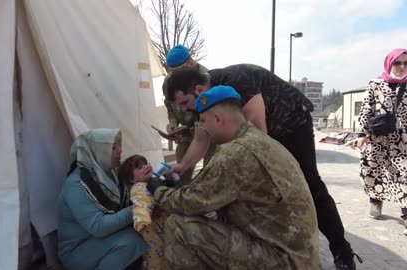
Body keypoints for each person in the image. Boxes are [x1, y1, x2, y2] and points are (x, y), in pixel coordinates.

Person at [165, 64, 360, 269]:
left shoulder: (236, 79)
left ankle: (342, 251)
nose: (185, 109)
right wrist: (182, 165)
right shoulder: (206, 100)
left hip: (291, 122)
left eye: (185, 102)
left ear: (197, 90)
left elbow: (257, 139)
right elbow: (201, 138)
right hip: (259, 134)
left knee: (311, 185)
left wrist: (221, 175)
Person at [147, 85, 320, 269]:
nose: (202, 128)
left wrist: (158, 189)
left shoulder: (234, 154)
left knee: (178, 227)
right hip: (297, 254)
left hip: (282, 260)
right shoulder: (259, 140)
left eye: (203, 121)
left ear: (219, 119)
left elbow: (189, 203)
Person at [57, 129, 147, 270]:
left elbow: (131, 195)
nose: (120, 150)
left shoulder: (109, 173)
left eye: (118, 145)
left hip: (103, 239)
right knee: (131, 241)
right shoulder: (76, 184)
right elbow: (98, 226)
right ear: (96, 151)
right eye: (113, 147)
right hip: (79, 250)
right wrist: (138, 208)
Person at [357, 48, 407, 234]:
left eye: (405, 63)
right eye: (397, 63)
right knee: (373, 170)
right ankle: (376, 201)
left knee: (404, 175)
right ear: (389, 63)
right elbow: (365, 110)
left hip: (402, 140)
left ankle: (406, 214)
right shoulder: (375, 84)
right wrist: (361, 134)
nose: (402, 67)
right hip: (377, 138)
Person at [163, 44, 215, 185]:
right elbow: (170, 104)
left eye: (177, 72)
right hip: (185, 135)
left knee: (210, 172)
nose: (173, 77)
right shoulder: (170, 81)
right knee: (180, 173)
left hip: (209, 134)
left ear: (190, 64)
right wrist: (173, 124)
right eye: (171, 73)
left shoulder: (208, 81)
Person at [118, 154, 171, 270]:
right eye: (139, 167)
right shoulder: (138, 188)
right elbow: (140, 204)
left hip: (162, 224)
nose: (145, 167)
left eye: (145, 163)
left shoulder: (153, 180)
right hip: (150, 227)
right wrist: (141, 219)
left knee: (167, 249)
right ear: (132, 179)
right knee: (157, 254)